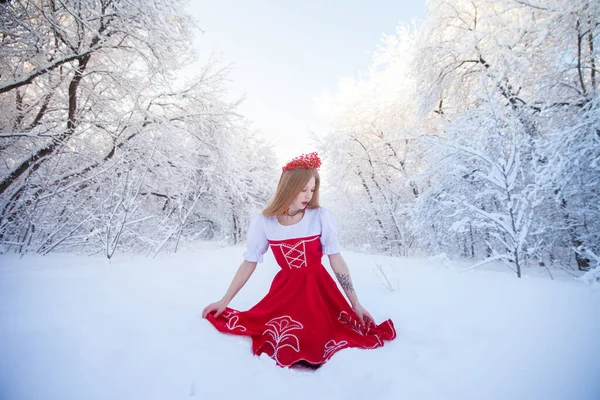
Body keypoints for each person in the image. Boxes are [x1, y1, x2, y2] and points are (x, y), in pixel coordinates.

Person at [202, 152, 396, 369]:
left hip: (319, 292)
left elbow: (336, 260)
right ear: (288, 188)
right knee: (283, 336)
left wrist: (355, 303)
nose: (308, 195)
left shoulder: (320, 217)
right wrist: (225, 300)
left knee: (320, 337)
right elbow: (250, 262)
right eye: (303, 189)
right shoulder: (265, 222)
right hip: (285, 293)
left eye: (312, 189)